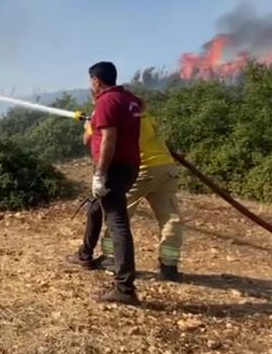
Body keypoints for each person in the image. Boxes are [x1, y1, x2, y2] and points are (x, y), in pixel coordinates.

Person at [67, 61, 142, 305]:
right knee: (95, 209)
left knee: (117, 222)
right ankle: (85, 254)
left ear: (96, 81)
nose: (91, 85)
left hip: (113, 168)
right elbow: (113, 125)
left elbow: (109, 138)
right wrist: (94, 115)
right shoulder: (128, 99)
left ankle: (124, 288)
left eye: (92, 81)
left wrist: (100, 173)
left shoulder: (107, 101)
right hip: (128, 166)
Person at [85, 112, 184, 281]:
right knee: (170, 218)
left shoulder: (114, 116)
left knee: (118, 216)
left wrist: (88, 125)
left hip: (143, 169)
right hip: (166, 168)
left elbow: (91, 139)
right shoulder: (146, 115)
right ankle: (169, 266)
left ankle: (110, 257)